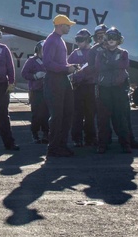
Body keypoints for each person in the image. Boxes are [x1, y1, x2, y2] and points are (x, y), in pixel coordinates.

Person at [42, 14, 77, 159]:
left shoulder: (59, 40)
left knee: (67, 113)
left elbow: (57, 63)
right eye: (67, 25)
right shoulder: (52, 40)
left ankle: (61, 145)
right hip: (55, 81)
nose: (69, 27)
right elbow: (48, 64)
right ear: (60, 25)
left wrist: (69, 67)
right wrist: (66, 69)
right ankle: (54, 147)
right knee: (57, 115)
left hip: (61, 79)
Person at [93, 27, 133, 153]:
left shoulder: (123, 53)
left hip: (119, 88)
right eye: (109, 37)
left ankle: (125, 144)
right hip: (104, 88)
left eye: (114, 38)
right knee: (103, 118)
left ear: (119, 40)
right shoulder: (100, 53)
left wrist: (109, 64)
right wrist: (114, 64)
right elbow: (98, 67)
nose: (111, 40)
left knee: (120, 117)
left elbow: (124, 65)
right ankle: (102, 144)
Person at [68, 29, 97, 148]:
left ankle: (90, 137)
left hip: (91, 86)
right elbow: (68, 65)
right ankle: (77, 138)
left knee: (90, 114)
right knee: (77, 114)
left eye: (81, 40)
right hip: (78, 87)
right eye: (77, 40)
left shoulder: (94, 52)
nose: (78, 42)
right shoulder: (75, 53)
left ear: (88, 40)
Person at [21, 42, 49, 144]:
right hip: (36, 91)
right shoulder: (31, 61)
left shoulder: (50, 60)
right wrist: (35, 76)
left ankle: (46, 133)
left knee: (47, 113)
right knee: (37, 114)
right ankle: (35, 133)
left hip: (48, 90)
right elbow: (24, 73)